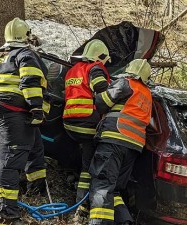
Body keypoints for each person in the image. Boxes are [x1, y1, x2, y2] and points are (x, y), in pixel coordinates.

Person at [0, 17, 48, 225]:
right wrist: (36, 107)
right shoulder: (25, 54)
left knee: (34, 146)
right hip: (12, 109)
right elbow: (30, 81)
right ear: (26, 36)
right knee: (11, 156)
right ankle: (6, 210)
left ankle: (36, 189)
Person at [88, 59, 153, 225]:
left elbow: (102, 103)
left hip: (114, 141)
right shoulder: (147, 94)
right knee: (114, 188)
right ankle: (124, 221)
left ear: (130, 70)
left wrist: (97, 91)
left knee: (102, 184)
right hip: (133, 147)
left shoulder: (125, 83)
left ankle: (99, 222)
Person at [62, 39, 111, 215]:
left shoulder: (73, 70)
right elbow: (101, 89)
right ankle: (81, 203)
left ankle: (71, 180)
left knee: (82, 157)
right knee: (88, 166)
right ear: (100, 57)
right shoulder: (95, 68)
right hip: (87, 123)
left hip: (69, 123)